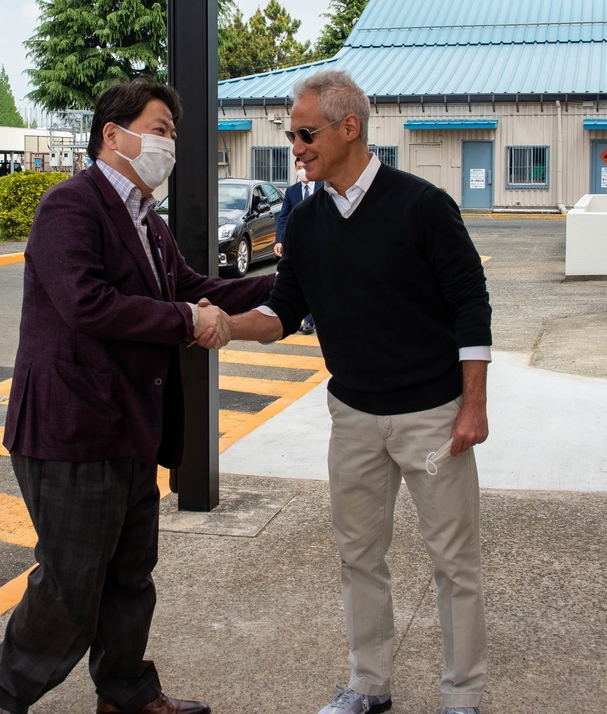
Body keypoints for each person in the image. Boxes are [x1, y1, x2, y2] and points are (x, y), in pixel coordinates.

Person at [0, 78, 276, 714]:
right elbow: (88, 304)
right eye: (160, 129)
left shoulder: (146, 219)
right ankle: (6, 694)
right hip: (72, 431)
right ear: (113, 136)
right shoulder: (71, 206)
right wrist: (185, 322)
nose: (169, 143)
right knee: (71, 584)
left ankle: (125, 694)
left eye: (172, 132)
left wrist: (285, 288)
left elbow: (194, 286)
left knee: (128, 576)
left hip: (128, 427)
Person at [218, 69, 492, 714]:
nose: (297, 146)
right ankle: (369, 686)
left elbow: (470, 304)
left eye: (306, 133)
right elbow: (284, 312)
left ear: (350, 128)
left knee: (454, 563)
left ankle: (463, 696)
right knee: (357, 557)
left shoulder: (422, 206)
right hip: (354, 418)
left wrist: (473, 405)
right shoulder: (306, 222)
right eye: (291, 135)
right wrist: (226, 325)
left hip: (432, 417)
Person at [274, 158, 321, 334]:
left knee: (315, 280)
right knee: (301, 280)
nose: (301, 170)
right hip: (298, 245)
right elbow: (283, 217)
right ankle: (304, 316)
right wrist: (279, 240)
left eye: (303, 167)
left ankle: (310, 320)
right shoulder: (291, 191)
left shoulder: (324, 187)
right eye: (298, 167)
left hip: (319, 244)